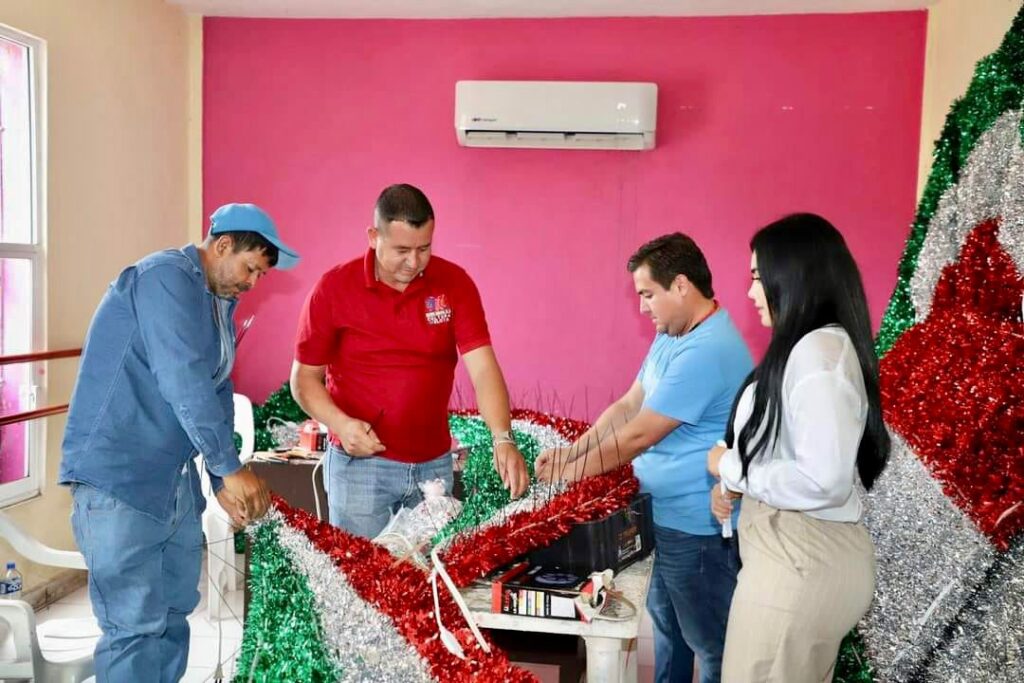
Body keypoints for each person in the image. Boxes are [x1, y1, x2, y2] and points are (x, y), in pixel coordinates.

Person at [59, 203, 298, 683]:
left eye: (261, 275)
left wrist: (219, 477)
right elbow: (183, 379)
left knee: (171, 616)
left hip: (171, 484)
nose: (253, 283)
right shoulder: (164, 278)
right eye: (251, 268)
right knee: (134, 625)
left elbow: (216, 391)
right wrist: (230, 469)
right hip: (118, 480)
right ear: (223, 245)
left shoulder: (216, 306)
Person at [536, 233, 753, 683]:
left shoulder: (707, 348)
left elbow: (637, 436)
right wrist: (571, 453)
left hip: (697, 527)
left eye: (647, 295)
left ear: (680, 285)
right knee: (669, 636)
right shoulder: (674, 332)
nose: (643, 308)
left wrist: (568, 473)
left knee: (710, 647)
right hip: (663, 517)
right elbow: (627, 406)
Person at [708, 213, 890, 682]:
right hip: (798, 560)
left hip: (798, 561)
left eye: (757, 278)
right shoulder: (816, 349)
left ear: (793, 276)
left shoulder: (817, 353)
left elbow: (820, 480)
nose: (751, 293)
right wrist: (737, 482)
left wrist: (734, 469)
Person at [290, 183, 528, 539]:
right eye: (402, 250)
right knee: (362, 583)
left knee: (430, 579)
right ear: (373, 236)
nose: (414, 262)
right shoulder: (334, 288)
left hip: (433, 466)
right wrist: (341, 424)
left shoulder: (454, 283)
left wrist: (503, 438)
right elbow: (304, 381)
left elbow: (483, 368)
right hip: (360, 468)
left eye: (424, 248)